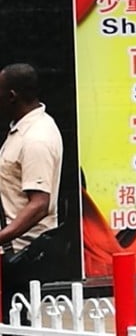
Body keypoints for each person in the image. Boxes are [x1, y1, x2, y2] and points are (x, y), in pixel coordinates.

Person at [0, 63, 63, 319]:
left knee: (19, 323)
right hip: (13, 249)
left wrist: (2, 237)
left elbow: (39, 204)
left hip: (23, 254)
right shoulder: (21, 128)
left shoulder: (36, 137)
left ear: (12, 95)